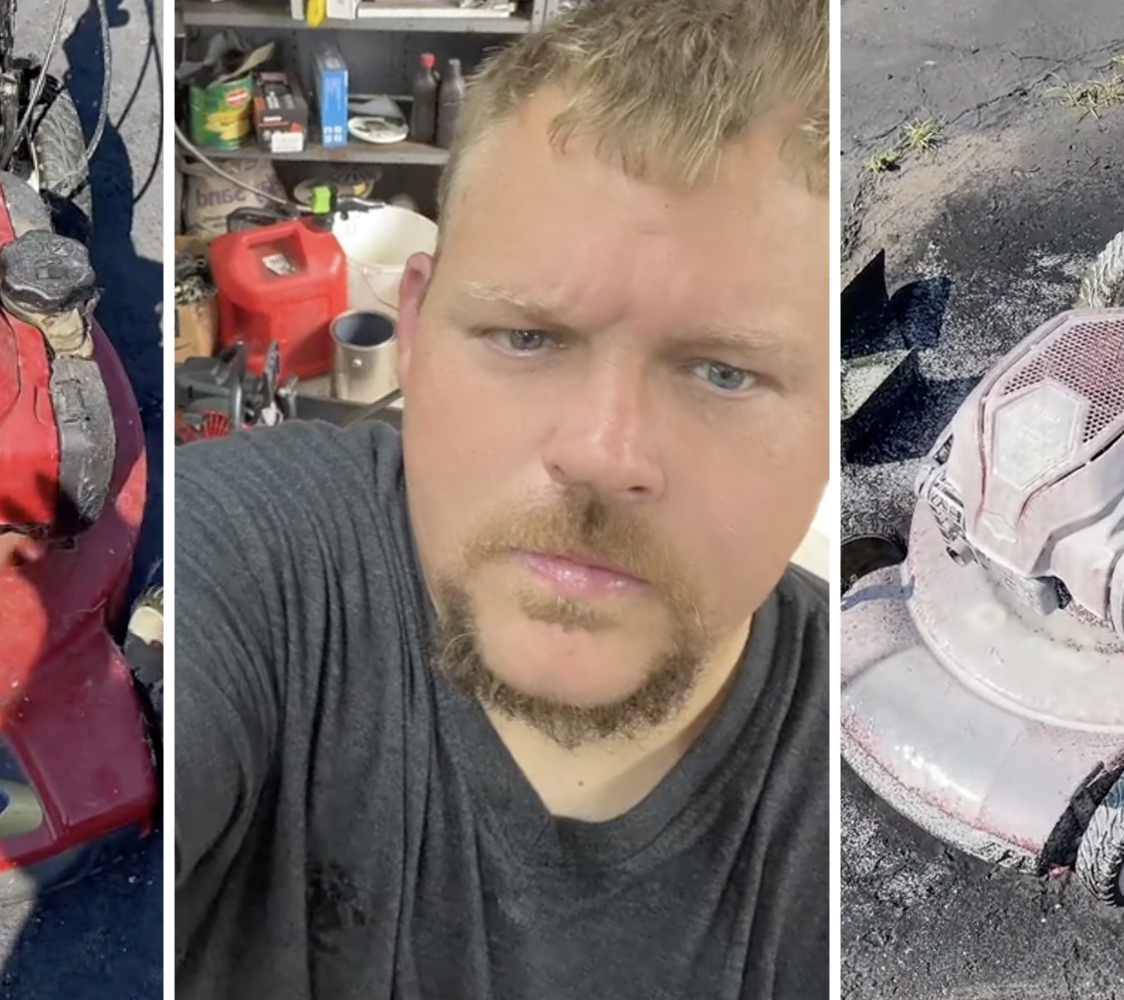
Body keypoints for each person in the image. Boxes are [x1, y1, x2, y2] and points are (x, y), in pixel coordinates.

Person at [173, 0, 830, 994]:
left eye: (722, 373)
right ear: (416, 324)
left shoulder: (855, 772)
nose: (603, 454)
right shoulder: (253, 570)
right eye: (525, 338)